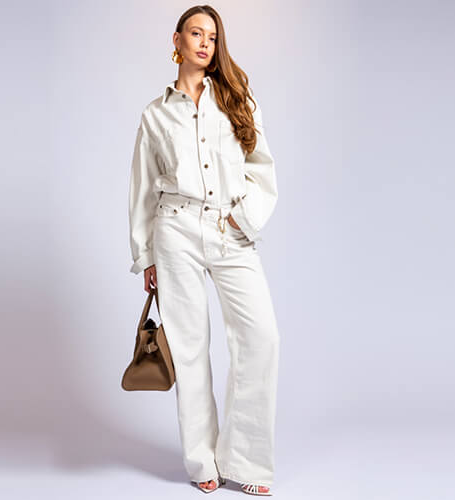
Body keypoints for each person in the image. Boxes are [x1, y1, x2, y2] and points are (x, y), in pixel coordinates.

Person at [128, 5, 279, 496]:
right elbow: (143, 189)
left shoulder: (237, 99)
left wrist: (242, 217)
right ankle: (202, 462)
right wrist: (146, 256)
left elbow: (262, 168)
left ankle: (247, 462)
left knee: (261, 338)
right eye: (196, 33)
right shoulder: (155, 114)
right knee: (190, 349)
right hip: (175, 231)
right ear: (177, 40)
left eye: (212, 37)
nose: (205, 43)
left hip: (230, 231)